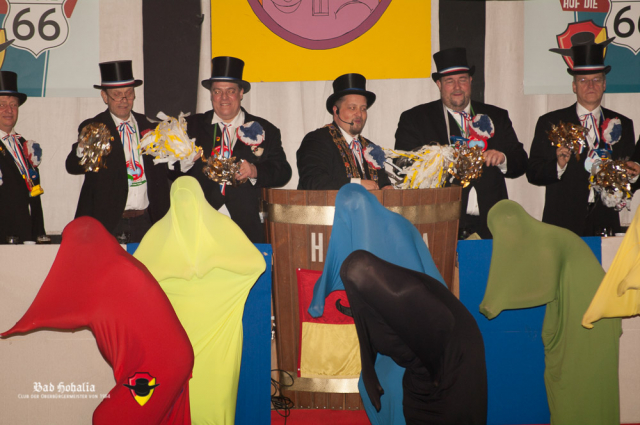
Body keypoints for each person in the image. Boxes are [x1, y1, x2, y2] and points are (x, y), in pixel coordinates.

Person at [395, 48, 528, 239]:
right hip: (441, 222)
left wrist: (503, 159)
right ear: (439, 84)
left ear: (471, 81)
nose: (457, 87)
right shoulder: (415, 119)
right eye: (450, 81)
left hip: (491, 224)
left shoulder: (497, 116)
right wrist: (436, 162)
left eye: (462, 79)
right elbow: (403, 166)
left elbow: (521, 161)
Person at [527, 42, 639, 236]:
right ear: (574, 86)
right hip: (561, 224)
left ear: (604, 84)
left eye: (596, 79)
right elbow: (533, 173)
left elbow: (631, 178)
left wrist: (634, 174)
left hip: (605, 222)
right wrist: (558, 165)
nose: (590, 85)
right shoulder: (551, 122)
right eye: (583, 80)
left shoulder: (623, 124)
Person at [185, 56, 292, 243]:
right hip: (200, 224)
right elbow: (169, 173)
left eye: (231, 91)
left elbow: (283, 172)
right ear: (210, 94)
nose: (224, 97)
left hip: (247, 226)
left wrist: (255, 171)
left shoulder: (266, 129)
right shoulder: (190, 126)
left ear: (241, 93)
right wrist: (184, 161)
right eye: (217, 91)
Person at [65, 60, 170, 243]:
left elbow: (167, 171)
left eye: (128, 93)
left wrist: (183, 156)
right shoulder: (94, 127)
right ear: (105, 97)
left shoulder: (150, 127)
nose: (124, 100)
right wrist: (83, 148)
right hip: (109, 223)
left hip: (147, 221)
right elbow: (72, 166)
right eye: (117, 94)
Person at [297, 73, 392, 191]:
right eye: (352, 108)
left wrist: (387, 188)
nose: (359, 114)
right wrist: (356, 184)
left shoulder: (371, 148)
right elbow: (314, 182)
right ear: (336, 111)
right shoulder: (317, 140)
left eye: (363, 108)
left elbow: (383, 182)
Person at [0, 71, 45, 244]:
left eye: (13, 105)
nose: (9, 110)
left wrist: (39, 233)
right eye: (2, 104)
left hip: (27, 235)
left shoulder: (23, 144)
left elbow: (33, 192)